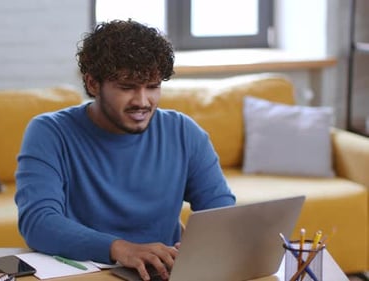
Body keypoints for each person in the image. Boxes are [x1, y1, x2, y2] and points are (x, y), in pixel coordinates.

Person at [15, 19, 235, 281]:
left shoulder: (184, 132)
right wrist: (120, 249)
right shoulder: (50, 132)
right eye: (127, 87)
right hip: (85, 275)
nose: (142, 101)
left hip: (159, 275)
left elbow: (221, 214)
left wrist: (201, 245)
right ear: (93, 84)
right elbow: (38, 222)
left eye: (152, 87)